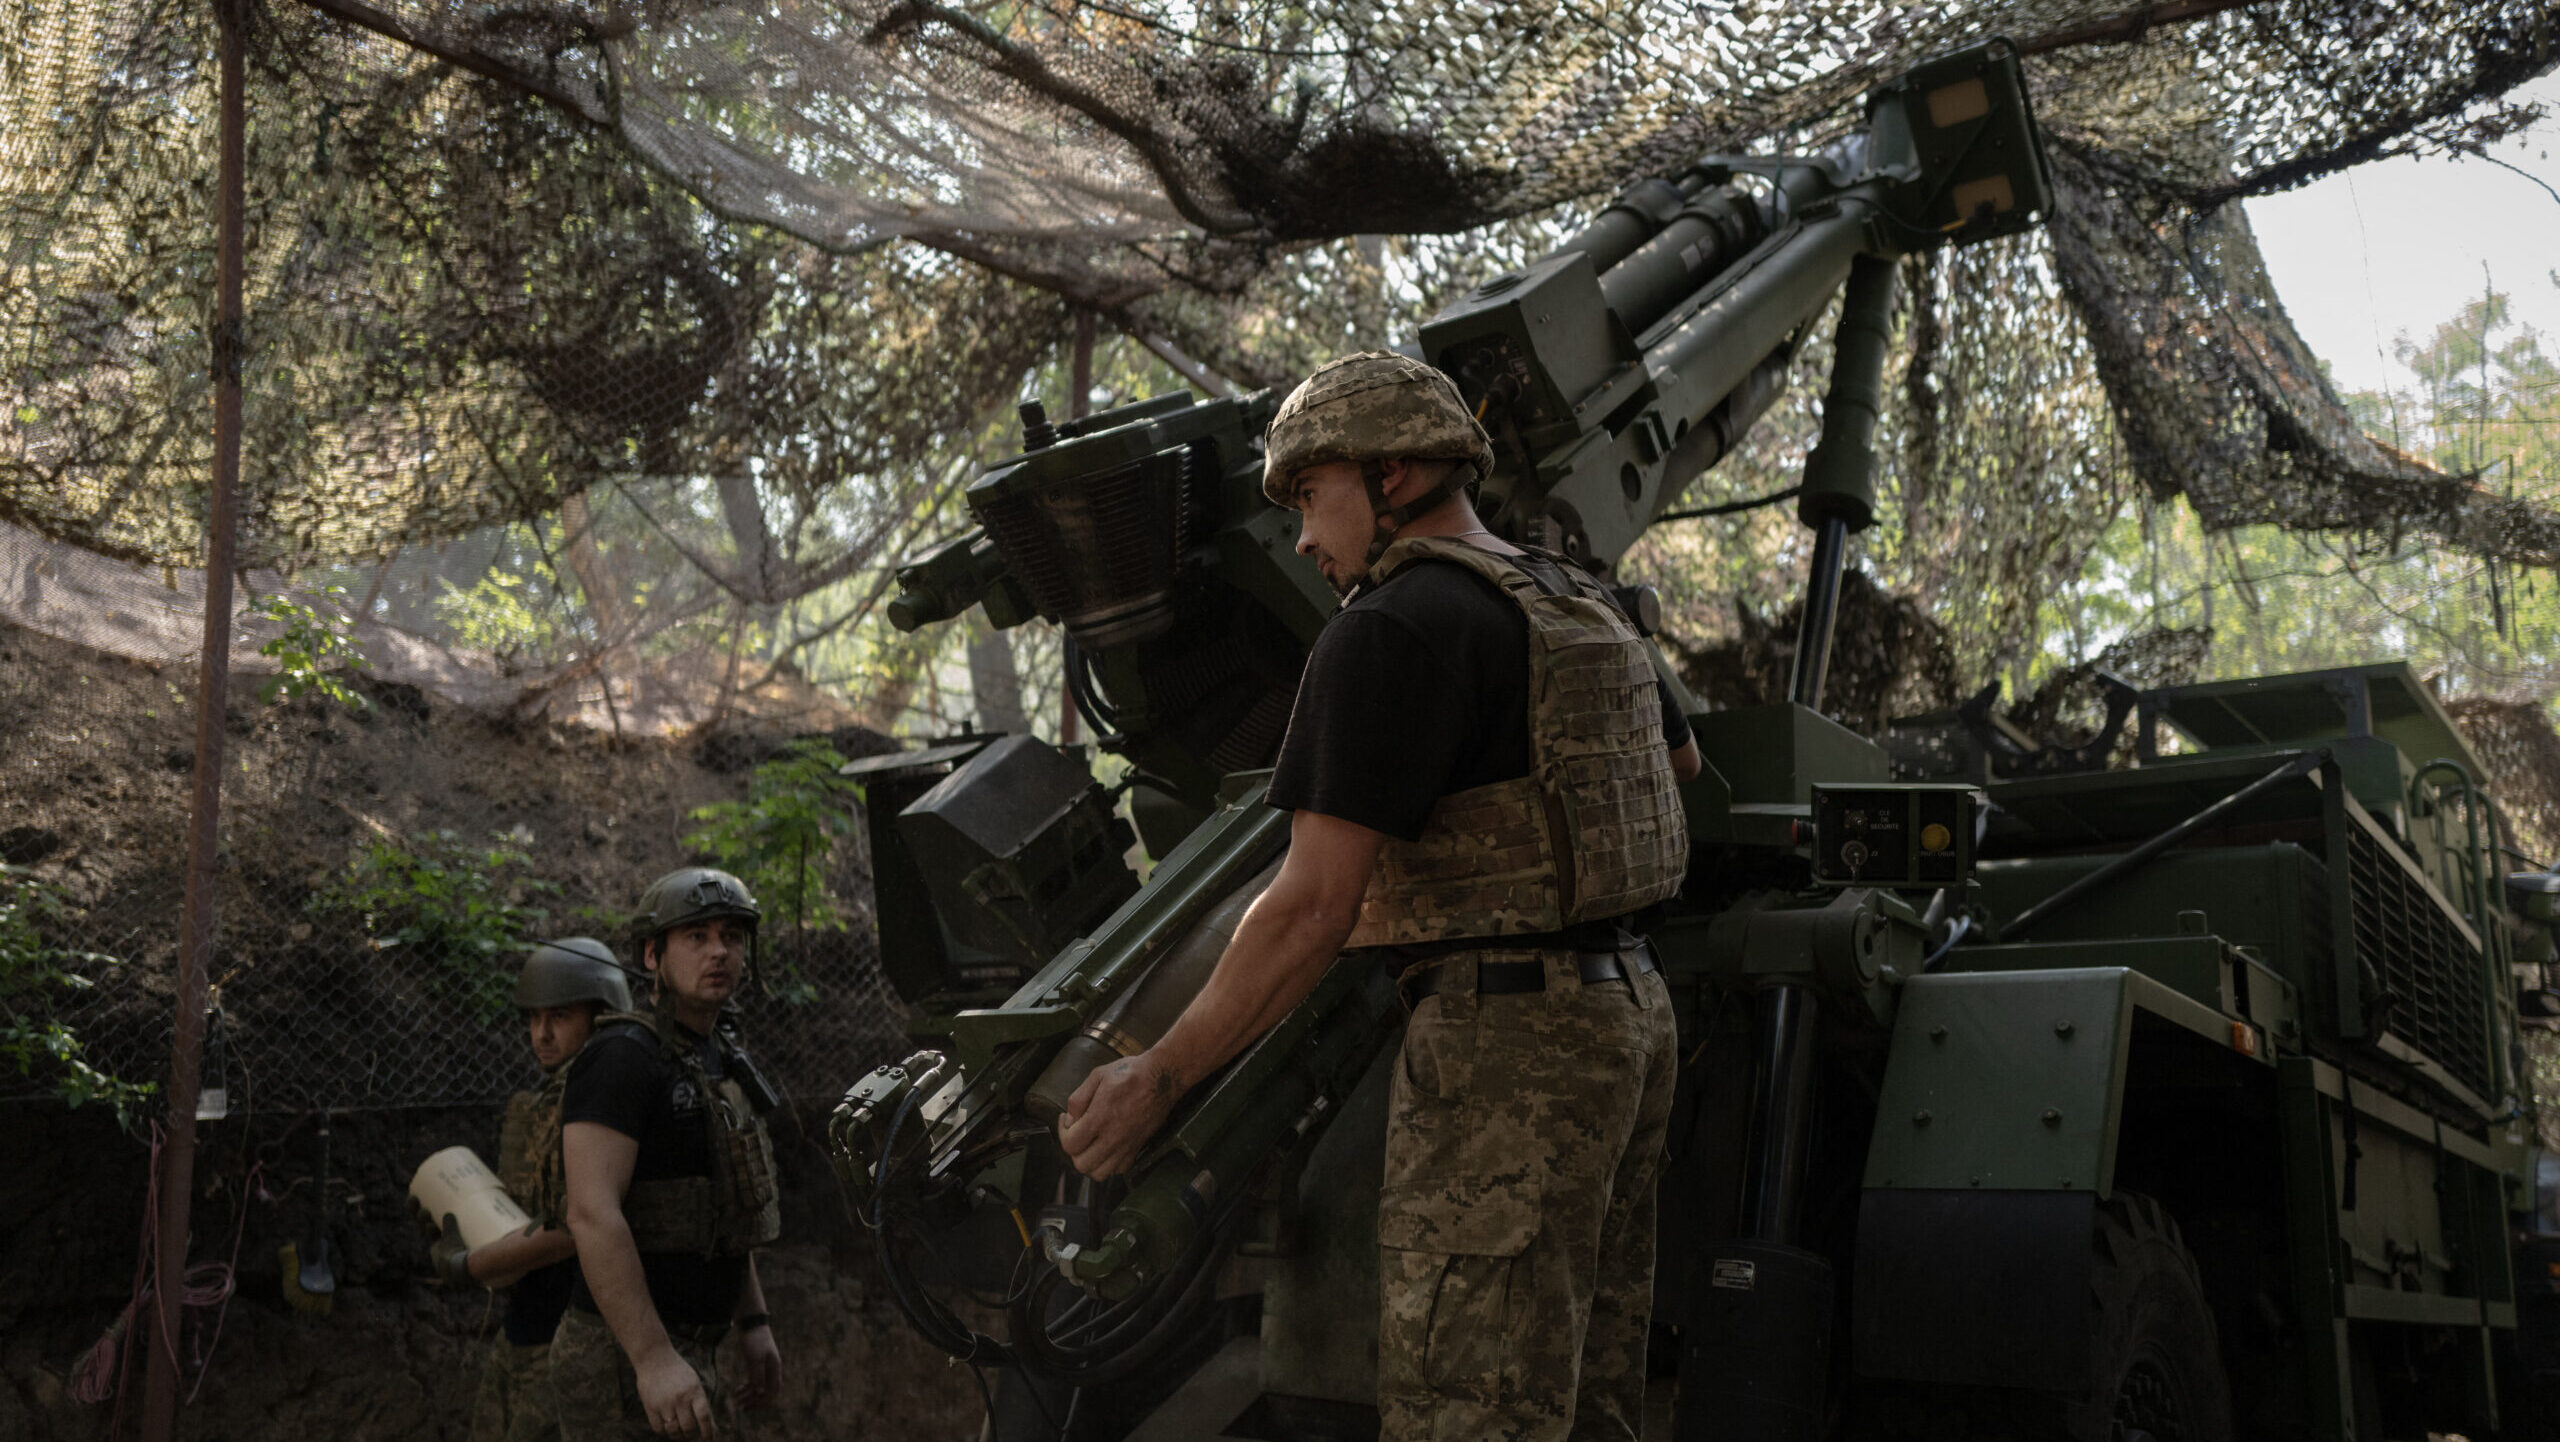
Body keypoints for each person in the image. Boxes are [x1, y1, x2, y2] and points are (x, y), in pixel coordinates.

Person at [1057, 351, 1703, 1441]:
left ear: (1394, 475)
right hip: (1627, 1018)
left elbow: (1313, 906)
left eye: (1311, 494)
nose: (1304, 537)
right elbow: (1676, 772)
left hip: (1505, 1043)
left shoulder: (1391, 624)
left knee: (1474, 1406)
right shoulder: (1578, 597)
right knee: (1585, 1396)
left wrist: (1159, 1073)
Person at [554, 869, 784, 1441]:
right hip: (622, 1356)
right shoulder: (621, 1059)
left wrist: (752, 1320)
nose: (719, 952)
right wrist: (652, 1359)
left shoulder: (715, 1054)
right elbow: (591, 1213)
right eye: (697, 936)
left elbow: (726, 1203)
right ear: (652, 955)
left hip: (690, 1345)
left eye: (732, 936)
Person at [433, 938, 636, 1442]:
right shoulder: (538, 1103)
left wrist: (472, 1265)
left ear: (601, 1016)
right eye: (534, 1018)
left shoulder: (606, 1102)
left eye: (560, 1017)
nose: (541, 1034)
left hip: (579, 1336)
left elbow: (579, 1226)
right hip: (524, 1324)